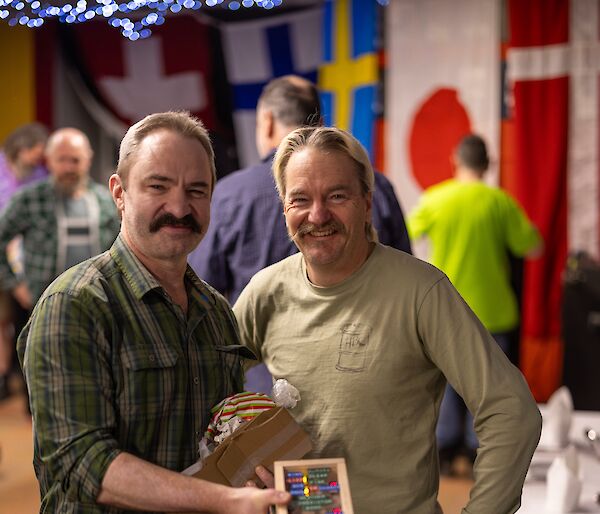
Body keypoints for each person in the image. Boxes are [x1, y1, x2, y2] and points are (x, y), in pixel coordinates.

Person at [233, 126, 542, 514]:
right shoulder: (266, 291)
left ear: (366, 201)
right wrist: (233, 466)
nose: (318, 214)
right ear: (284, 207)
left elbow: (511, 411)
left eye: (337, 195)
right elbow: (204, 388)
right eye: (300, 199)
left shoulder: (420, 292)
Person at [17, 111, 290, 513]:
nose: (179, 207)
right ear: (119, 193)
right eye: (157, 186)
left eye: (196, 190)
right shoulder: (75, 305)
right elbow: (81, 463)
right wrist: (225, 500)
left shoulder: (215, 311)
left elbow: (221, 436)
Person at [189, 75, 411, 393]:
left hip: (264, 398)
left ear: (266, 122)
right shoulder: (377, 186)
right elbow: (402, 275)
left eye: (335, 197)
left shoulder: (229, 196)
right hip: (367, 381)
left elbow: (200, 294)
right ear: (320, 123)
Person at [407, 134, 543, 469]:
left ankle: (444, 447)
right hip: (493, 311)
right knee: (489, 389)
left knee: (447, 382)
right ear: (489, 163)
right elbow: (533, 246)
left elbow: (401, 237)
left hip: (444, 310)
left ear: (456, 158)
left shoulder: (435, 199)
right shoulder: (500, 202)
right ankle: (478, 451)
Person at [0, 122, 49, 399]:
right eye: (36, 152)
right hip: (2, 251)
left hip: (24, 260)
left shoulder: (39, 174)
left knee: (13, 317)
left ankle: (9, 376)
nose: (38, 159)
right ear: (22, 148)